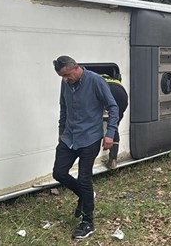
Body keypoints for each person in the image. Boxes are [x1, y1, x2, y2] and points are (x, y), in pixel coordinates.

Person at [52, 56, 119, 239]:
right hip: (69, 137)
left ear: (75, 68)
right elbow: (63, 107)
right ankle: (85, 195)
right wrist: (61, 130)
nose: (65, 80)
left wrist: (110, 133)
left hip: (90, 138)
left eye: (66, 75)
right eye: (61, 77)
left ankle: (88, 222)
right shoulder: (65, 83)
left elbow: (113, 107)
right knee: (58, 173)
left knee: (84, 178)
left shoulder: (96, 81)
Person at [102, 73, 128, 170]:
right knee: (114, 125)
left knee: (95, 122)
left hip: (108, 90)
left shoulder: (93, 78)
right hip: (121, 93)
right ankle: (113, 159)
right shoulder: (112, 78)